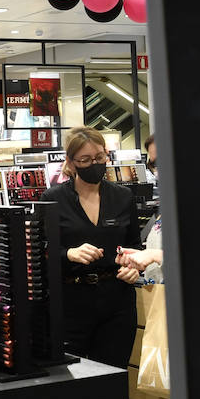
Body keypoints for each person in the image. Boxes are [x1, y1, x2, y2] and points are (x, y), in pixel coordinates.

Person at [41, 127, 143, 367]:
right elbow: (40, 252)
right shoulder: (52, 199)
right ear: (71, 162)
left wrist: (134, 267)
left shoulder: (122, 197)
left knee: (113, 376)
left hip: (116, 302)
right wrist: (69, 254)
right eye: (85, 160)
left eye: (99, 157)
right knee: (69, 378)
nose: (94, 164)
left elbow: (134, 246)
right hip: (70, 302)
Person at [119, 133, 175, 399]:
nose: (155, 171)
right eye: (151, 163)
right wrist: (140, 268)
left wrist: (154, 257)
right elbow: (161, 269)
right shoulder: (164, 209)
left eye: (159, 161)